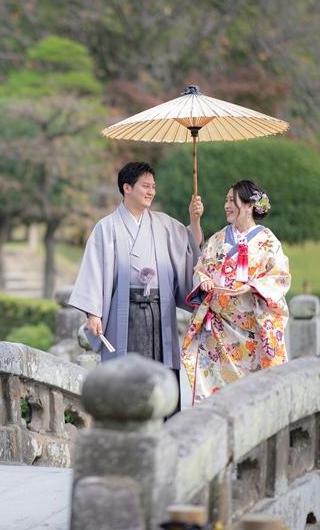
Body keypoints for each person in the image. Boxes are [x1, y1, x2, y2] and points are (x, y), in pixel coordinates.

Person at [69, 162, 204, 392]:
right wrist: (93, 314)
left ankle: (161, 421)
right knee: (125, 374)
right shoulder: (107, 227)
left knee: (161, 373)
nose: (151, 191)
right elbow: (93, 269)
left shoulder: (163, 224)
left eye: (153, 186)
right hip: (125, 312)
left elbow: (191, 247)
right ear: (127, 188)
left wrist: (194, 219)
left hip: (159, 311)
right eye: (145, 186)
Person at [181, 179, 291, 404]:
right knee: (214, 394)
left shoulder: (268, 241)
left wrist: (252, 287)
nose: (226, 205)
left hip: (251, 328)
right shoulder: (219, 239)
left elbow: (279, 277)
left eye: (232, 200)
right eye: (226, 200)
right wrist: (204, 281)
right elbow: (201, 268)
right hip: (218, 331)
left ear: (250, 205)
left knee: (253, 395)